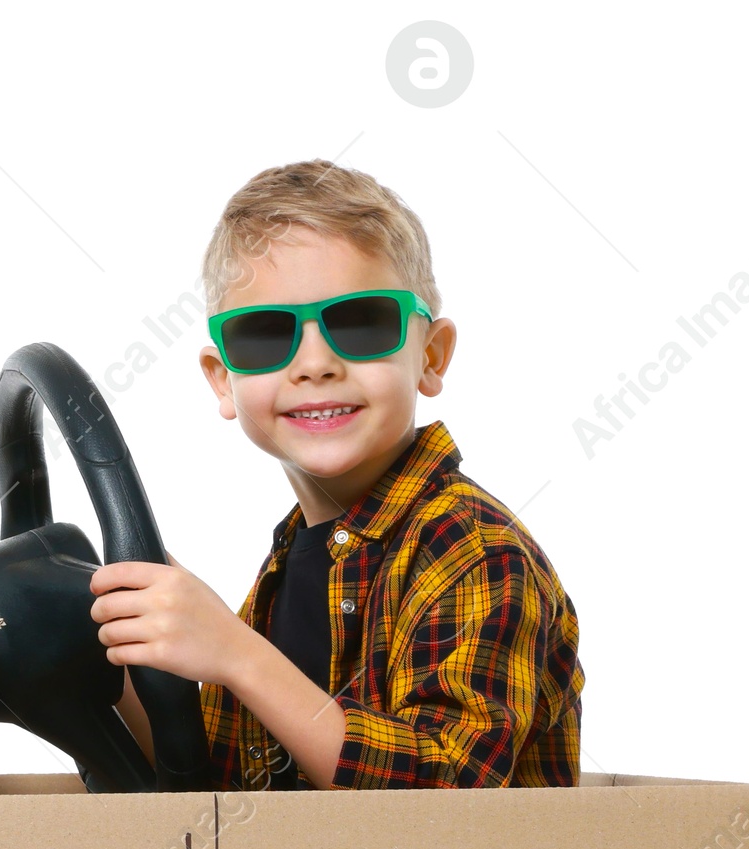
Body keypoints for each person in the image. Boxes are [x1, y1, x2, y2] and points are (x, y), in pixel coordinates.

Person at [92, 159, 584, 792]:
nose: (316, 363)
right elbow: (227, 771)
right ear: (224, 380)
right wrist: (112, 661)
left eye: (361, 323)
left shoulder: (473, 552)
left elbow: (446, 797)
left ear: (430, 358)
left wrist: (238, 655)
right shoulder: (295, 557)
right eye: (265, 336)